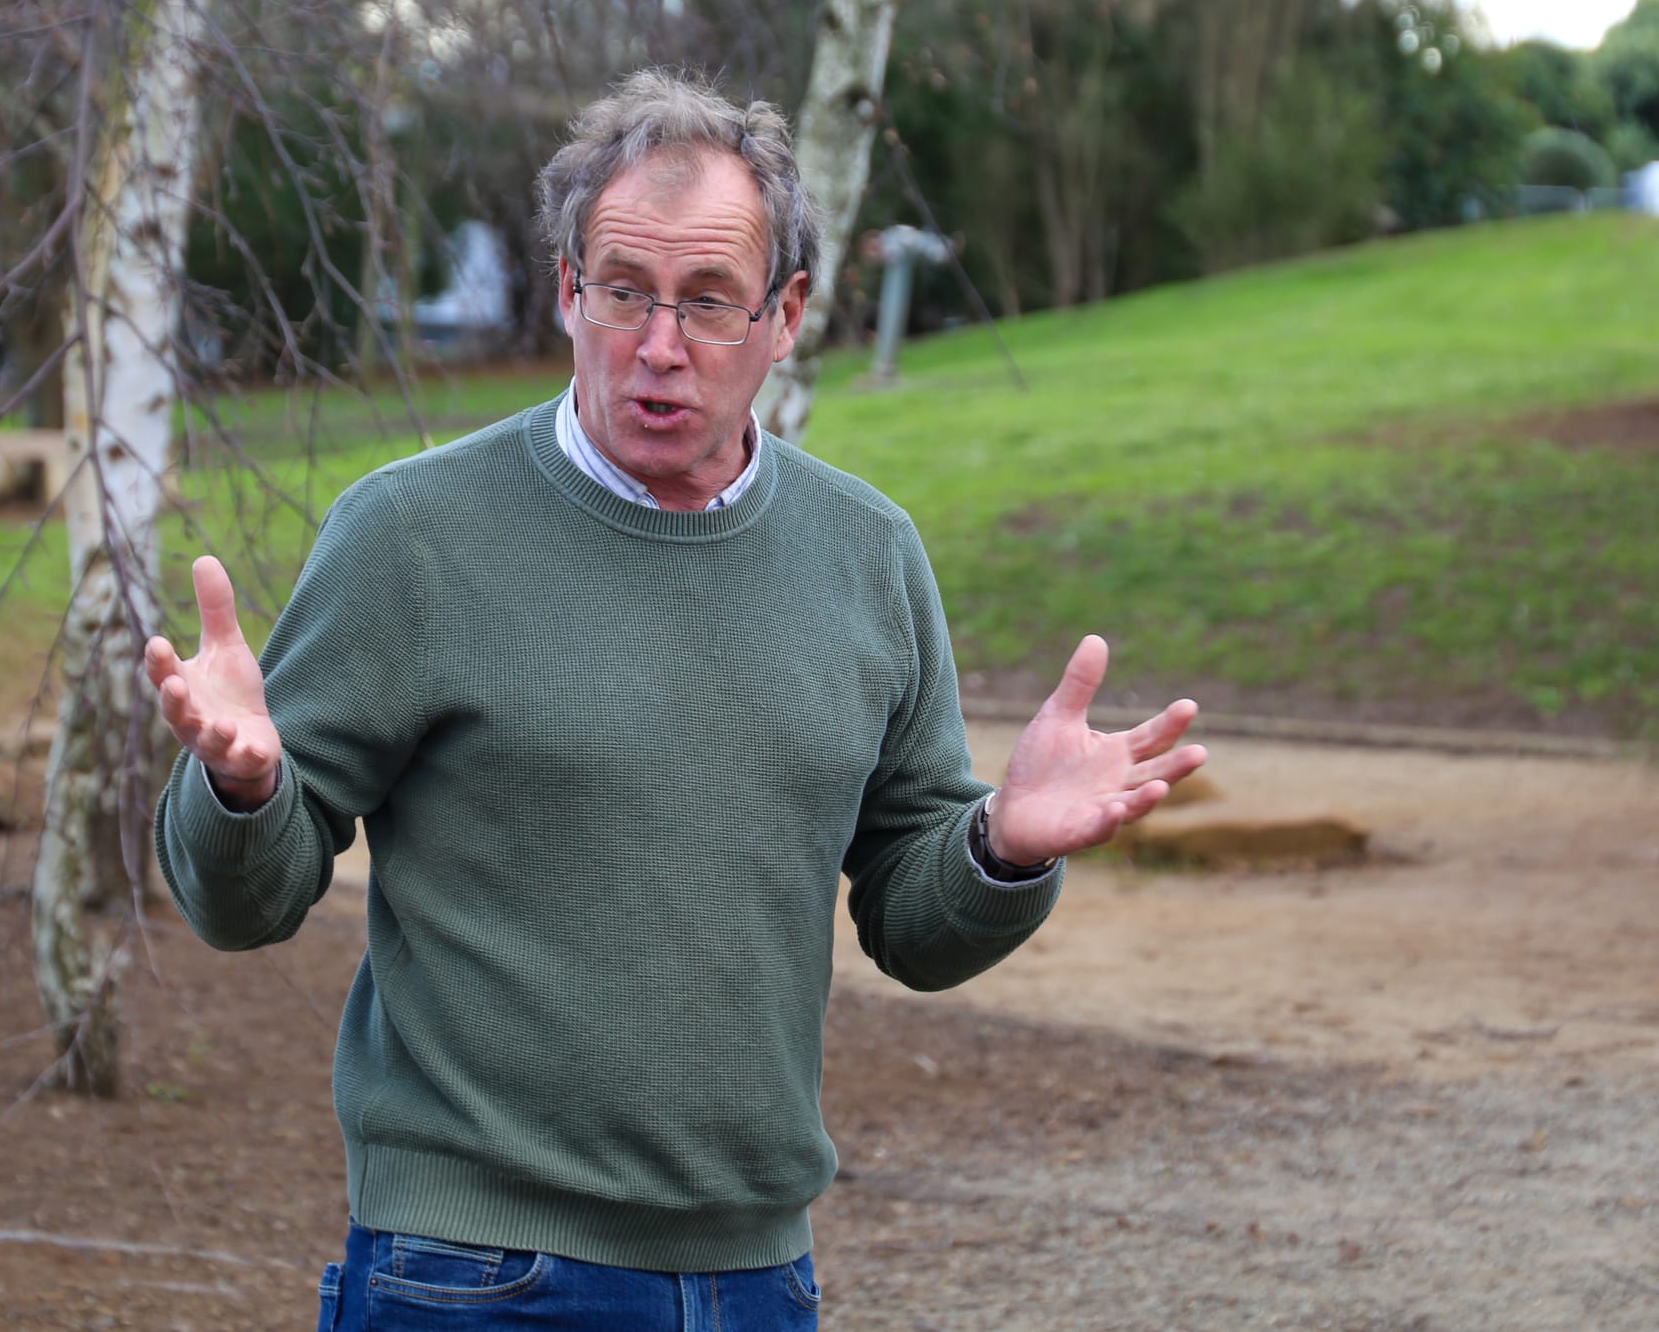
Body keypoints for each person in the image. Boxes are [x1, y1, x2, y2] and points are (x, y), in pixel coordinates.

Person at [146, 69, 1205, 1331]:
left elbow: (913, 928)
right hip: (472, 1274)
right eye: (622, 291)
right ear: (565, 290)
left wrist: (998, 849)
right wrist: (239, 789)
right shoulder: (411, 537)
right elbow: (242, 904)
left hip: (759, 1278)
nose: (657, 346)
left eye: (706, 301)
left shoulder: (867, 554)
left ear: (784, 314)